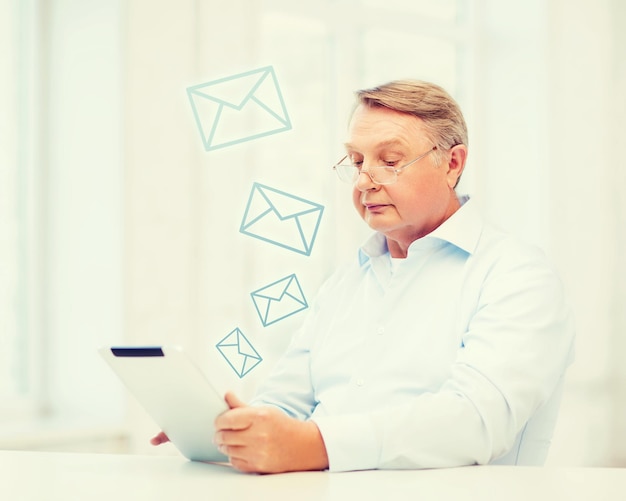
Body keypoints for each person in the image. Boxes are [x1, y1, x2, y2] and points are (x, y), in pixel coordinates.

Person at [152, 80, 575, 474]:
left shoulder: (517, 276)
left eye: (389, 161)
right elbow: (287, 401)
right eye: (356, 161)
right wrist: (235, 431)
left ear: (452, 163)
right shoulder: (345, 282)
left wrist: (316, 445)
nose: (363, 181)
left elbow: (478, 421)